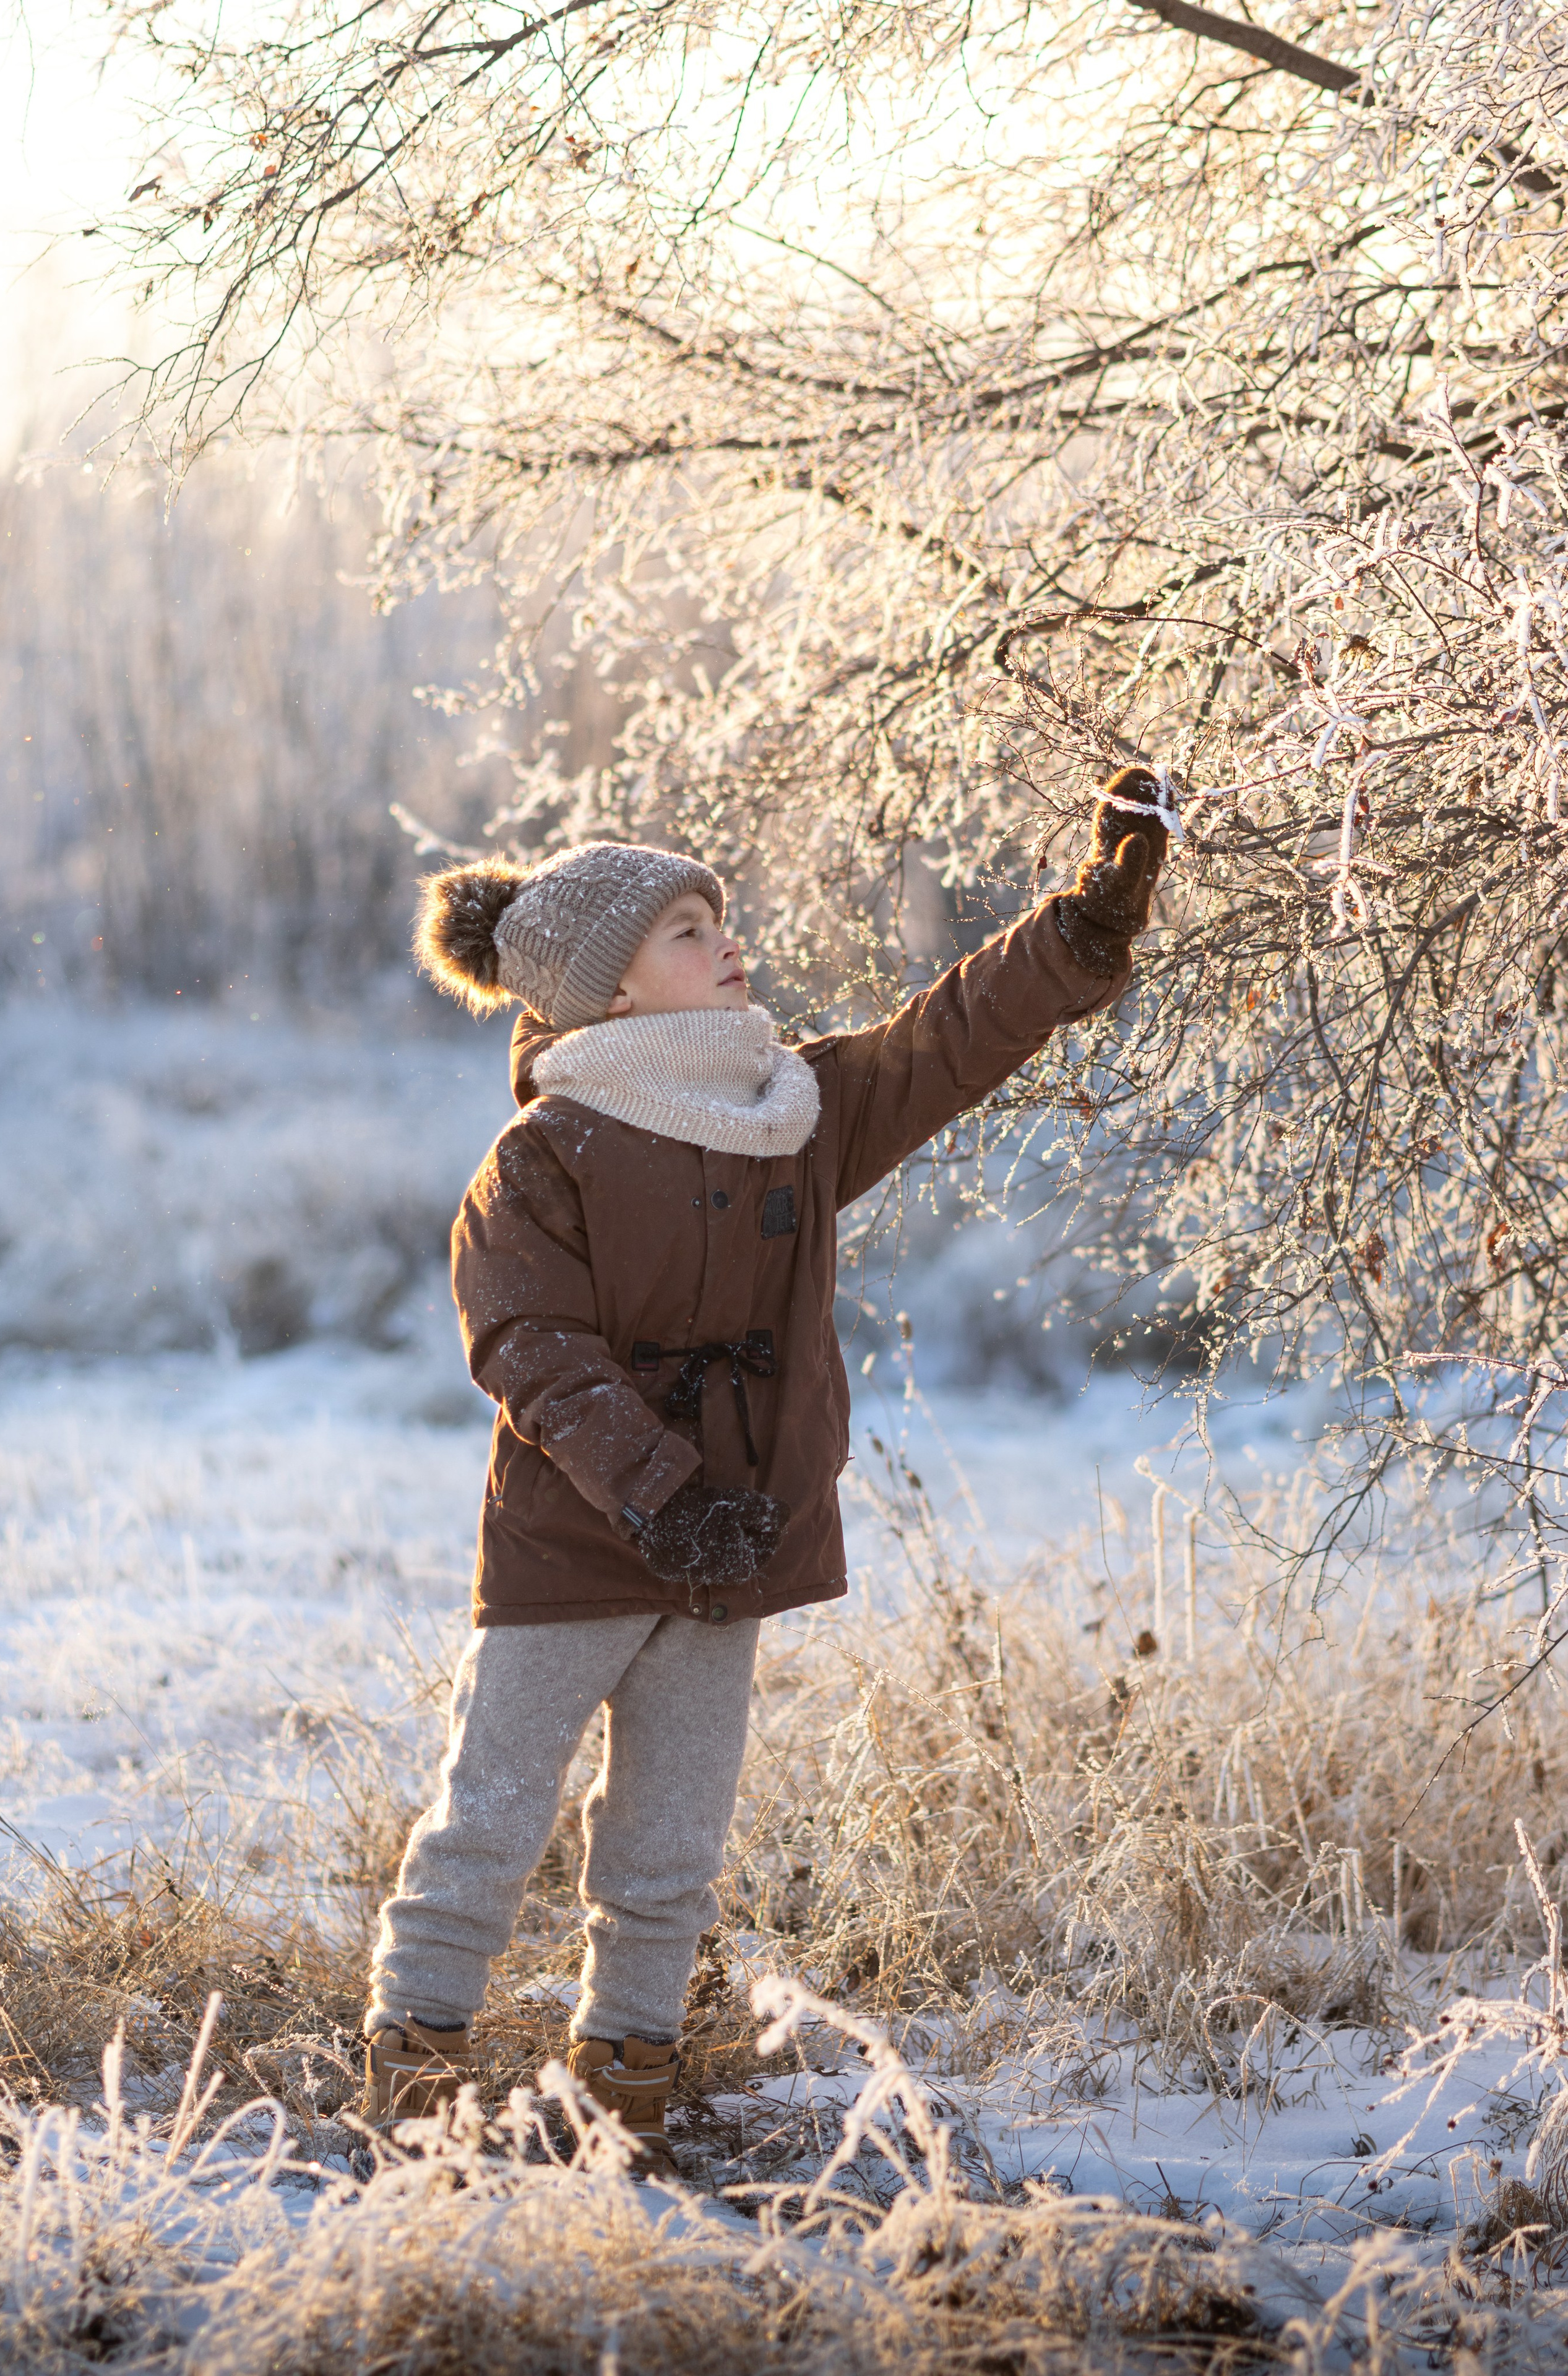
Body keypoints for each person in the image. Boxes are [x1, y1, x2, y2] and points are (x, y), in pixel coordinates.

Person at [356, 772, 1169, 2174]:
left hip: (732, 1551)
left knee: (669, 1847)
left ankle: (627, 2102)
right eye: (685, 929)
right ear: (608, 989)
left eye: (716, 918)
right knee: (486, 1821)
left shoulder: (786, 1107)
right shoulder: (541, 1154)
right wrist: (666, 1493)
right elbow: (528, 1346)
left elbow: (945, 1040)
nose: (724, 942)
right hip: (580, 1550)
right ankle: (415, 2088)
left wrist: (1084, 924)